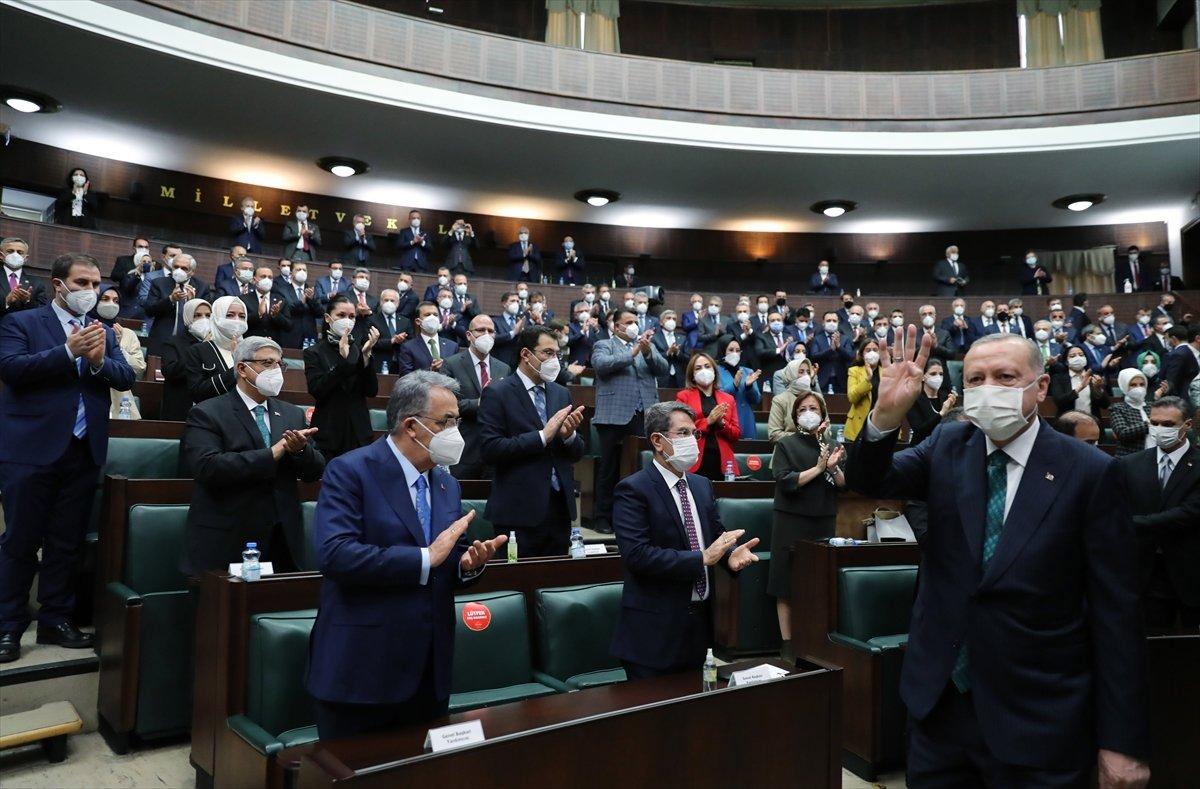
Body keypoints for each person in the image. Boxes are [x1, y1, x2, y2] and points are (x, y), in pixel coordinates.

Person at [846, 329, 1149, 788]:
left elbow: (1116, 613)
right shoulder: (948, 444)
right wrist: (884, 419)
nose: (989, 389)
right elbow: (870, 479)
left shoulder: (1090, 471)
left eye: (1006, 377)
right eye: (976, 379)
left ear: (1040, 387)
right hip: (941, 709)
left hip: (1040, 717)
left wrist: (1122, 740)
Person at [305, 372, 506, 739]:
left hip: (429, 671)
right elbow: (335, 555)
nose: (455, 432)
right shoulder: (350, 470)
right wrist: (425, 559)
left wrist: (466, 564)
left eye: (456, 422)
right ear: (412, 426)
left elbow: (448, 555)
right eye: (445, 422)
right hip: (362, 668)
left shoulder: (447, 482)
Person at [0, 253, 135, 662]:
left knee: (66, 542)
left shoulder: (104, 332)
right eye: (81, 284)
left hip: (83, 448)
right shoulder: (20, 322)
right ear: (58, 284)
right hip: (31, 448)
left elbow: (126, 376)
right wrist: (66, 351)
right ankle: (7, 626)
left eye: (95, 284)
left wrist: (96, 363)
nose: (90, 292)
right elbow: (11, 369)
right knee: (20, 541)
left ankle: (55, 620)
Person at [609, 401, 759, 679]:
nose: (692, 440)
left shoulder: (701, 485)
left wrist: (731, 554)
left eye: (695, 434)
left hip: (699, 628)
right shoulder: (633, 489)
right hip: (653, 633)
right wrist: (701, 558)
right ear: (657, 440)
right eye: (683, 433)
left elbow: (714, 535)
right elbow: (637, 555)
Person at [181, 337, 325, 575]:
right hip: (227, 535)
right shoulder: (207, 412)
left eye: (280, 364)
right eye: (267, 363)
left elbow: (315, 471)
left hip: (282, 538)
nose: (276, 370)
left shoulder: (291, 414)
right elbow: (207, 467)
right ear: (242, 369)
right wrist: (274, 452)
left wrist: (300, 449)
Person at [479, 327, 586, 556]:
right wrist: (541, 437)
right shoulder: (498, 392)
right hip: (518, 510)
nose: (554, 360)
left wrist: (570, 437)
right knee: (518, 584)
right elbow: (490, 449)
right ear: (526, 354)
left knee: (553, 585)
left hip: (559, 508)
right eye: (547, 352)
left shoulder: (561, 393)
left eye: (557, 354)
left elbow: (576, 453)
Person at [770, 393, 845, 661]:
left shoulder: (832, 444)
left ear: (823, 414)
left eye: (814, 408)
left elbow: (842, 483)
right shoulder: (786, 445)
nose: (809, 412)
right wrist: (818, 468)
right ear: (795, 415)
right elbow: (785, 480)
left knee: (818, 584)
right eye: (803, 408)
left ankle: (815, 641)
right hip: (791, 520)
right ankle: (788, 644)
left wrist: (833, 469)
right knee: (785, 585)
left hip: (823, 517)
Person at [1119, 396, 1199, 632]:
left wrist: (1128, 524)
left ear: (1188, 425)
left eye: (1168, 425)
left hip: (1190, 571)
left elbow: (1189, 513)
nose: (1159, 430)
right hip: (1144, 572)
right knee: (1151, 648)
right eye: (1154, 423)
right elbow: (1118, 505)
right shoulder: (1129, 464)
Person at [591, 309, 667, 533]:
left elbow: (663, 370)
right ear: (616, 327)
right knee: (609, 469)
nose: (634, 325)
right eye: (629, 322)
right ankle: (603, 517)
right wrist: (633, 352)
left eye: (636, 321)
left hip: (644, 416)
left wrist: (647, 353)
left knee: (641, 467)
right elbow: (602, 365)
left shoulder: (646, 346)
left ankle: (635, 519)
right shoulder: (604, 345)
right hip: (613, 416)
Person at [304, 296, 381, 460]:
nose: (347, 320)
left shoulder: (359, 349)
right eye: (341, 315)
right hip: (329, 433)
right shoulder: (314, 352)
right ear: (327, 318)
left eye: (352, 316)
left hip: (359, 433)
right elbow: (317, 390)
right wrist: (343, 362)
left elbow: (371, 391)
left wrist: (366, 356)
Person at [442, 315, 509, 480]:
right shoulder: (451, 364)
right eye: (480, 330)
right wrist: (480, 403)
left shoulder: (504, 368)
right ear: (468, 335)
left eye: (491, 331)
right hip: (465, 446)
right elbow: (446, 405)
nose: (486, 334)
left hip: (495, 448)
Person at [674, 353, 741, 480]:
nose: (704, 370)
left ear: (714, 371)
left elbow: (736, 434)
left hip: (722, 462)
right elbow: (679, 432)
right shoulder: (684, 397)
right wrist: (708, 421)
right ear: (692, 375)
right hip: (694, 460)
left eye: (707, 366)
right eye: (698, 368)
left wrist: (722, 424)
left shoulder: (728, 399)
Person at [143, 253, 213, 358]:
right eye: (176, 267)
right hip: (162, 341)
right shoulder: (159, 283)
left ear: (192, 272)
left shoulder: (202, 287)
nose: (179, 271)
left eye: (184, 268)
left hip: (190, 343)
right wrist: (171, 299)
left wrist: (192, 303)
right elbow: (149, 311)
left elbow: (207, 317)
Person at [93, 285, 145, 419]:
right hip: (90, 395)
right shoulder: (83, 329)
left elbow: (139, 367)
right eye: (105, 299)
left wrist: (117, 346)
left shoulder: (127, 334)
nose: (111, 304)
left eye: (116, 301)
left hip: (120, 402)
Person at [186, 295, 247, 404]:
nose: (237, 320)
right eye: (230, 315)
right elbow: (197, 392)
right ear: (217, 317)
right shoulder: (199, 351)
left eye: (242, 316)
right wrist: (235, 368)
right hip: (213, 415)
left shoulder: (250, 349)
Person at [161, 298, 210, 421]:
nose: (204, 319)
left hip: (209, 407)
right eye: (197, 315)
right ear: (188, 317)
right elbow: (170, 372)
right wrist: (200, 349)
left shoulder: (216, 343)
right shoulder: (173, 342)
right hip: (180, 407)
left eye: (208, 315)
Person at [1109, 368, 1164, 457]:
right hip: (1129, 458)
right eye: (1133, 385)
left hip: (1155, 456)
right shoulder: (1118, 408)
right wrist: (1149, 424)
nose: (1139, 388)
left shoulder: (1152, 406)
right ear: (1125, 387)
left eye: (1142, 384)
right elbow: (1122, 433)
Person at [768, 358, 823, 443]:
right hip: (789, 450)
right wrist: (804, 437)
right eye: (801, 372)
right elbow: (774, 434)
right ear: (791, 375)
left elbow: (827, 431)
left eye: (808, 372)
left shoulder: (818, 398)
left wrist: (819, 434)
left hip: (817, 449)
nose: (806, 375)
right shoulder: (780, 400)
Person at [715, 338, 761, 440]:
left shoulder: (747, 371)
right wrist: (734, 385)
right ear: (723, 351)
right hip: (727, 422)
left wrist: (749, 387)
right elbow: (717, 397)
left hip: (746, 421)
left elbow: (756, 399)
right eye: (731, 350)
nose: (735, 353)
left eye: (738, 350)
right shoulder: (715, 372)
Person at [396, 302, 458, 376]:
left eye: (435, 315)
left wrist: (445, 368)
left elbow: (457, 375)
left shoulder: (452, 346)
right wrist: (430, 371)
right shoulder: (408, 347)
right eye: (427, 315)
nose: (432, 318)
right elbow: (405, 377)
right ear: (418, 321)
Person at [1049, 345, 1110, 420]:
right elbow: (1059, 402)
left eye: (1081, 355)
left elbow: (1106, 405)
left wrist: (1099, 389)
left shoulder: (1094, 377)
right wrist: (1080, 387)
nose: (1078, 358)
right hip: (1067, 424)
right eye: (1072, 356)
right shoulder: (1058, 378)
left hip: (1092, 423)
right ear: (1066, 362)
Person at [906, 358, 957, 446]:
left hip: (942, 445)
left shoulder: (946, 397)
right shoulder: (914, 398)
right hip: (921, 446)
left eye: (941, 374)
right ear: (922, 376)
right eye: (933, 374)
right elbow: (919, 430)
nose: (938, 377)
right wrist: (941, 414)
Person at [359, 288, 410, 373]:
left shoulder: (405, 321)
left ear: (398, 303)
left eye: (392, 300)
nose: (389, 303)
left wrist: (401, 340)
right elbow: (367, 341)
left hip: (401, 364)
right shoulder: (371, 320)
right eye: (386, 300)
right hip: (379, 362)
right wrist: (391, 341)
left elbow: (411, 341)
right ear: (381, 302)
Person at [1, 237, 49, 322]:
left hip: (22, 332)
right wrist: (6, 302)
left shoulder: (36, 283)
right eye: (10, 251)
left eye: (20, 253)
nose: (15, 255)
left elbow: (43, 313)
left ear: (25, 258)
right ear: (1, 255)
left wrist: (28, 301)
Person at [843, 338, 882, 442]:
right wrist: (868, 379)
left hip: (879, 424)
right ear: (861, 354)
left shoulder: (887, 372)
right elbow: (852, 397)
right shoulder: (854, 371)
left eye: (875, 350)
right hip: (858, 425)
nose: (872, 353)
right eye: (868, 350)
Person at [274, 260, 320, 349]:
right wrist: (302, 301)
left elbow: (320, 313)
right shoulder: (281, 290)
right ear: (291, 273)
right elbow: (287, 310)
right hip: (290, 335)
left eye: (304, 270)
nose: (302, 272)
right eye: (298, 270)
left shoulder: (313, 290)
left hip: (309, 336)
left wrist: (311, 300)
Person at [242, 266, 292, 344]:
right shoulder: (244, 299)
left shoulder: (281, 300)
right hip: (250, 344)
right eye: (263, 276)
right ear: (254, 280)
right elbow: (241, 323)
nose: (267, 279)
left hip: (273, 345)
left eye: (270, 277)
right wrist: (258, 314)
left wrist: (276, 315)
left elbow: (289, 326)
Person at [810, 311, 854, 394]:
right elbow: (813, 356)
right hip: (822, 379)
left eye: (834, 321)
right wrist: (830, 350)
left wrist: (839, 347)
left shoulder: (845, 339)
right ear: (823, 323)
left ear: (838, 323)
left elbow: (850, 357)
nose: (831, 323)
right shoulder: (817, 339)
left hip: (840, 380)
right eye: (828, 320)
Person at [651, 310, 688, 388]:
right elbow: (652, 358)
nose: (671, 321)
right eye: (668, 318)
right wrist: (668, 353)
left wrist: (678, 353)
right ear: (661, 322)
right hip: (662, 377)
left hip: (679, 378)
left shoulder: (683, 338)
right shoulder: (654, 338)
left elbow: (688, 358)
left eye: (674, 319)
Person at [491, 292, 526, 369]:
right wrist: (513, 333)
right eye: (512, 301)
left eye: (517, 301)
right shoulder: (495, 321)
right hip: (500, 363)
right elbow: (493, 339)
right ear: (504, 304)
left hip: (517, 365)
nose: (516, 304)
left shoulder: (521, 321)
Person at [1161, 325, 1200, 397]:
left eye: (1167, 339)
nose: (1167, 342)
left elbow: (1169, 380)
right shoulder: (1183, 353)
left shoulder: (1177, 354)